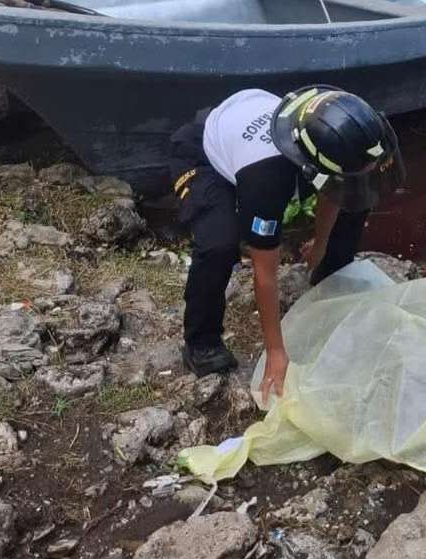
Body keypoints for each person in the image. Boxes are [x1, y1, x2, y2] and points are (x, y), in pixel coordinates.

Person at [167, 85, 404, 401]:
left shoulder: (337, 127)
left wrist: (320, 245)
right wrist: (276, 351)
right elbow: (264, 273)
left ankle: (332, 273)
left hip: (256, 132)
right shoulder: (267, 179)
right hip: (204, 154)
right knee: (219, 245)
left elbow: (335, 191)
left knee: (357, 197)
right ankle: (201, 342)